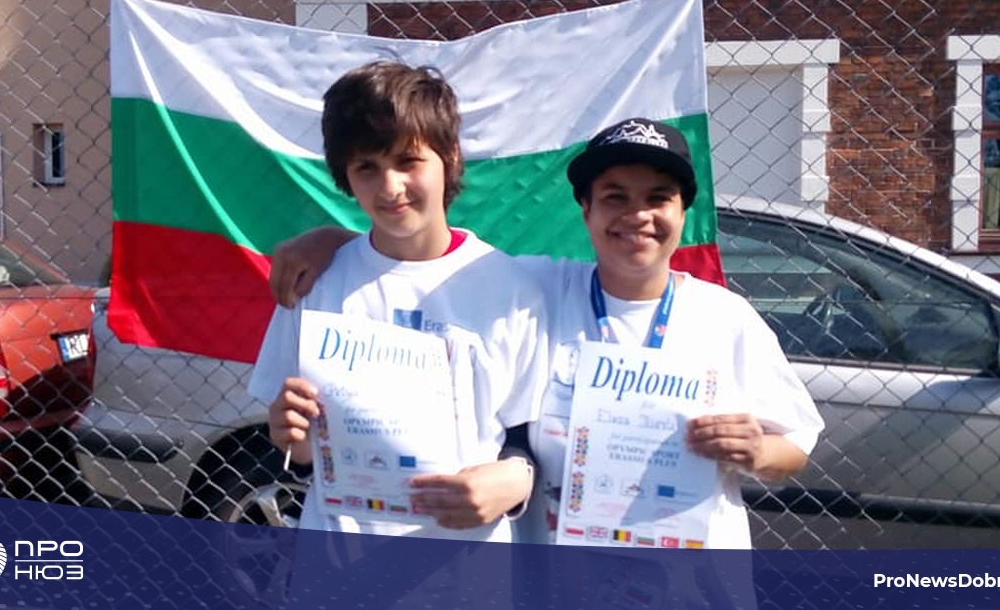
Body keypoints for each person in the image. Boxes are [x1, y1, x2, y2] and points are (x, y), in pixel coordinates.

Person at [269, 117, 823, 551]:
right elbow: (425, 254)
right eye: (615, 196)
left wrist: (756, 451)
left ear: (683, 212)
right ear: (586, 210)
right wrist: (337, 242)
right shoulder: (536, 291)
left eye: (658, 197)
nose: (637, 215)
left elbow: (794, 448)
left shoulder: (725, 318)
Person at [250, 60, 546, 544]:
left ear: (449, 156)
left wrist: (514, 479)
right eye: (367, 167)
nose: (390, 187)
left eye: (408, 161)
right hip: (338, 565)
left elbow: (531, 441)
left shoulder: (512, 290)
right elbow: (298, 450)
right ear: (345, 176)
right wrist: (291, 437)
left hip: (466, 567)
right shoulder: (316, 283)